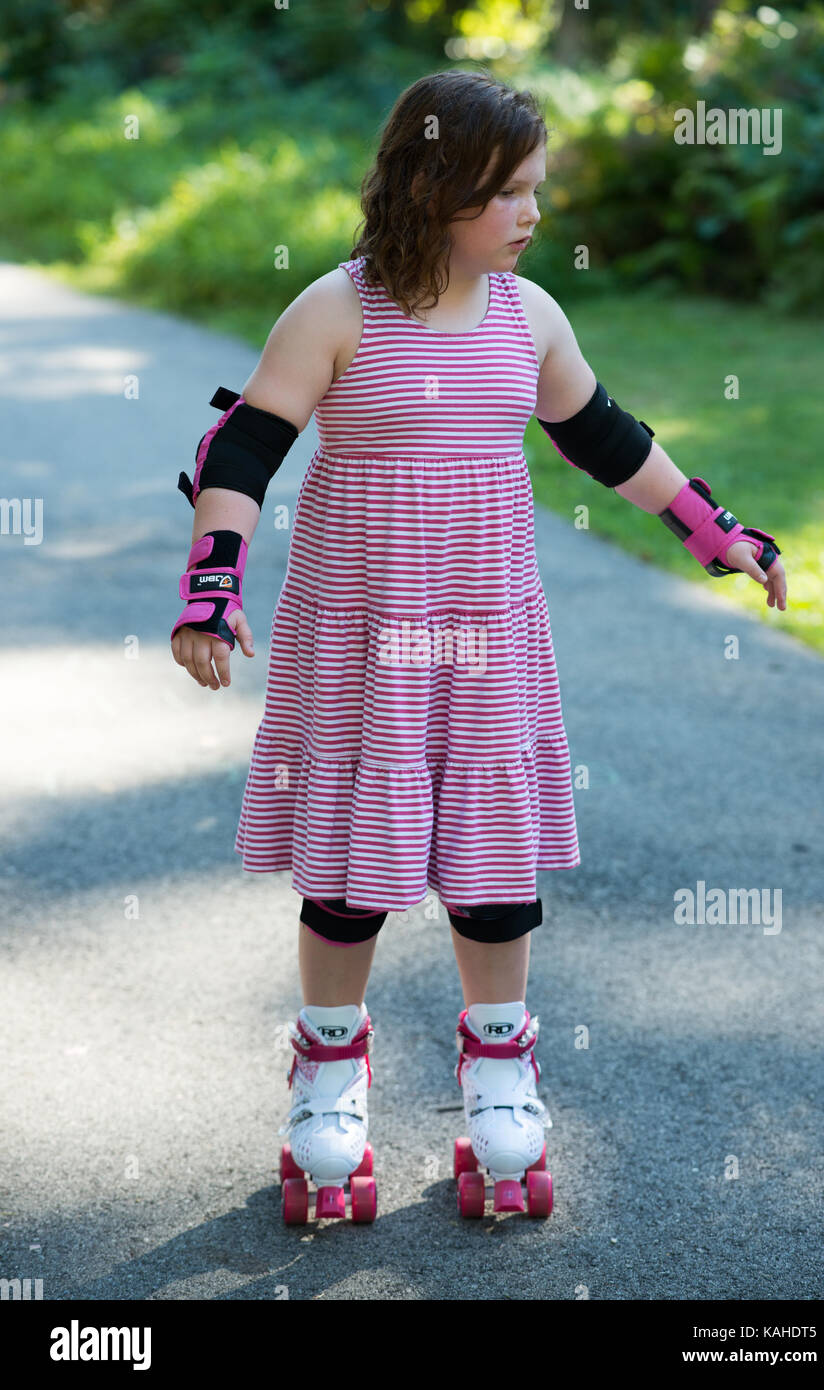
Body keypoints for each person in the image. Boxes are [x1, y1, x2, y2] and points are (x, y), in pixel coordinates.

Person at [170, 70, 786, 1220]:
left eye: (536, 191)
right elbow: (243, 451)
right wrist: (212, 587)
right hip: (358, 627)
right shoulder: (336, 310)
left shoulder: (530, 313)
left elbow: (605, 438)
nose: (532, 213)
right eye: (506, 193)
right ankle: (328, 1081)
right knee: (353, 867)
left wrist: (715, 530)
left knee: (494, 861)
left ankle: (500, 1075)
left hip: (486, 625)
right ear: (433, 186)